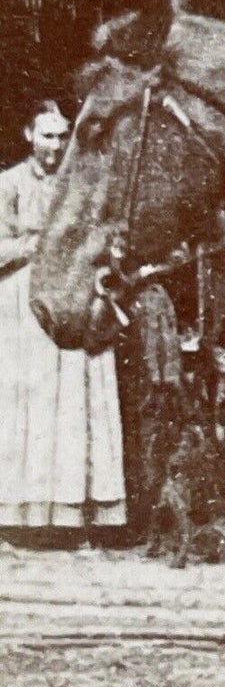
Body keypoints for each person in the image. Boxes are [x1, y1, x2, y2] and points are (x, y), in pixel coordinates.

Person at [0, 101, 126, 532]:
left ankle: (78, 509)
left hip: (73, 296)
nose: (55, 146)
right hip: (22, 304)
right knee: (30, 404)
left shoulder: (85, 183)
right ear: (28, 136)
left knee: (76, 401)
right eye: (46, 135)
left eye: (61, 136)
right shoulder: (9, 184)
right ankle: (25, 511)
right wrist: (43, 245)